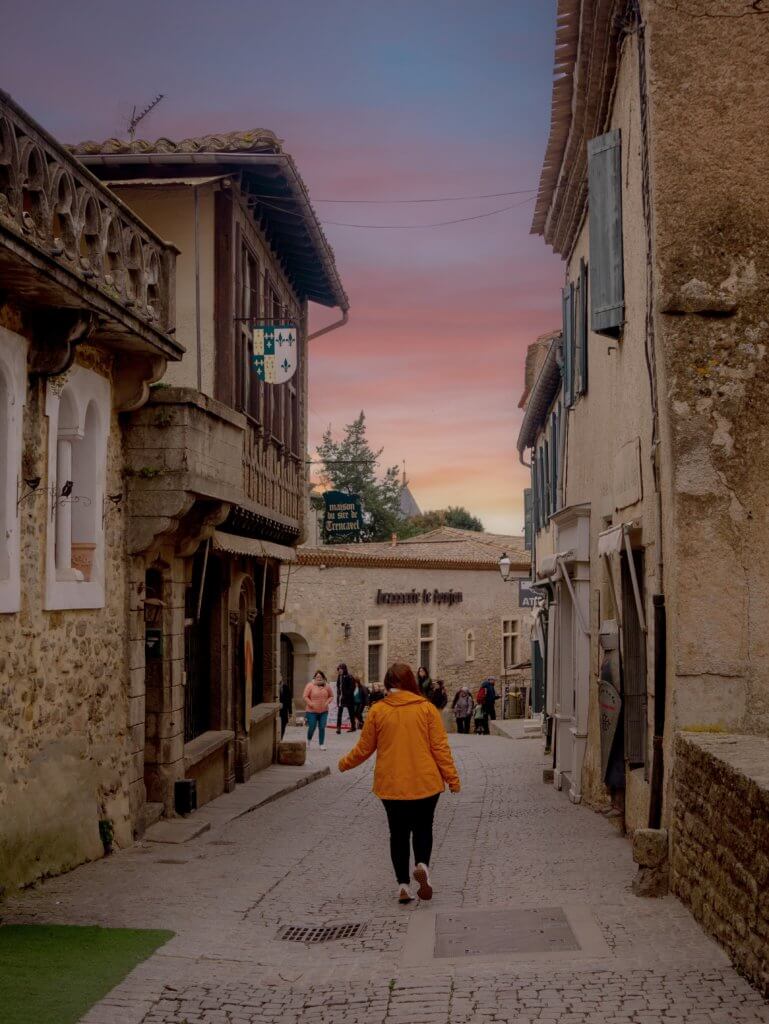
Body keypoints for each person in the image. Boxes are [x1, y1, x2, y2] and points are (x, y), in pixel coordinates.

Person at [338, 662, 460, 905]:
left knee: (398, 833)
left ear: (387, 683)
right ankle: (423, 865)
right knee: (424, 827)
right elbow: (440, 748)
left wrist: (344, 763)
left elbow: (364, 748)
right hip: (426, 782)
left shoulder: (378, 710)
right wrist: (452, 779)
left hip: (391, 785)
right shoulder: (426, 709)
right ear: (411, 683)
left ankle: (403, 884)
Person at [302, 670, 333, 749]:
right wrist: (311, 704)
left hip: (324, 711)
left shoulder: (327, 686)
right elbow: (305, 696)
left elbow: (331, 696)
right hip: (311, 711)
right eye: (317, 677)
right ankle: (308, 741)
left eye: (320, 677)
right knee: (312, 726)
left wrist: (327, 702)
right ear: (314, 677)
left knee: (322, 727)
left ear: (323, 677)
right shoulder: (310, 685)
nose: (319, 678)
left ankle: (321, 744)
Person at [336, 662, 357, 733]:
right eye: (339, 669)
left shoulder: (349, 677)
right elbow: (338, 685)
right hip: (341, 698)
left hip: (349, 698)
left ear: (344, 669)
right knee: (339, 712)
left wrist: (346, 694)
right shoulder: (339, 676)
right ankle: (338, 728)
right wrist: (339, 693)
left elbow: (352, 688)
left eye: (341, 669)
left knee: (351, 713)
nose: (339, 670)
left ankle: (353, 727)